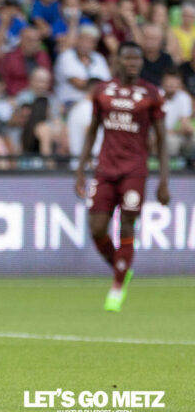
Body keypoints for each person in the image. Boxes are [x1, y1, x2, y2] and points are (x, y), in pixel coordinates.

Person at [75, 41, 170, 313]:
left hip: (134, 170)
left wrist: (164, 181)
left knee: (127, 224)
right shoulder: (103, 92)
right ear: (118, 61)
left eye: (137, 60)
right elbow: (93, 130)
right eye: (128, 59)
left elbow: (162, 140)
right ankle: (121, 266)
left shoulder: (151, 94)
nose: (133, 64)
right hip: (105, 169)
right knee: (96, 229)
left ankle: (117, 286)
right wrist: (81, 169)